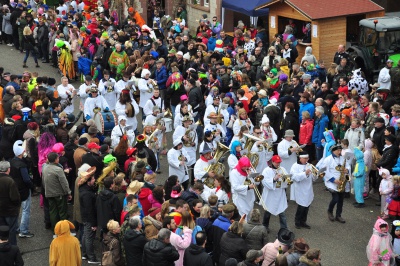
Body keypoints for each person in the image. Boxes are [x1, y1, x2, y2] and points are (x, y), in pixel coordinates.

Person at [318, 144, 350, 223]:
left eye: (340, 150)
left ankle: (338, 215)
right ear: (333, 151)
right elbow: (324, 171)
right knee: (335, 199)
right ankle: (330, 211)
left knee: (341, 200)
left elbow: (348, 166)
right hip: (332, 182)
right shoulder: (328, 159)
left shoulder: (343, 159)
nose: (339, 152)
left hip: (341, 181)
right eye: (338, 150)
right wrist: (333, 180)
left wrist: (347, 170)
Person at [10, 141, 34, 239]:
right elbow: (26, 179)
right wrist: (32, 186)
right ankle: (23, 230)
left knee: (16, 209)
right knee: (25, 210)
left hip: (15, 189)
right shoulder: (22, 165)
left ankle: (16, 228)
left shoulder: (12, 161)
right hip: (24, 190)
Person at [42, 152, 72, 231]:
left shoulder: (44, 168)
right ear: (55, 160)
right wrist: (68, 192)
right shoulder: (58, 169)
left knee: (53, 212)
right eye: (58, 158)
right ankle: (64, 230)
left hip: (49, 193)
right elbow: (64, 183)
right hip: (59, 194)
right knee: (62, 212)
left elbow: (43, 181)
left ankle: (55, 230)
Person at [290, 152, 317, 229]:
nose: (306, 160)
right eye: (305, 158)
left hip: (308, 189)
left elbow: (313, 178)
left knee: (307, 206)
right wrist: (304, 173)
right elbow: (294, 177)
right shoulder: (295, 166)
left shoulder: (309, 165)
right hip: (300, 189)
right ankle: (297, 222)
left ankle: (303, 222)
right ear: (300, 158)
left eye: (307, 158)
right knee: (301, 207)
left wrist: (315, 175)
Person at [261, 155, 289, 231]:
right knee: (268, 212)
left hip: (280, 194)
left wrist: (285, 180)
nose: (278, 164)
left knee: (282, 212)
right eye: (277, 162)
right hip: (270, 195)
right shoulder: (266, 170)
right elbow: (264, 182)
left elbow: (287, 179)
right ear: (272, 162)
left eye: (279, 162)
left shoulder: (282, 169)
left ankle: (284, 229)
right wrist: (274, 179)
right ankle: (265, 226)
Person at [78, 166, 99, 264]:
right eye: (93, 179)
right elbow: (89, 209)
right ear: (88, 181)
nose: (94, 179)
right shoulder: (87, 194)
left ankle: (84, 254)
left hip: (85, 218)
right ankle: (91, 258)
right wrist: (94, 224)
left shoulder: (84, 189)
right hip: (89, 218)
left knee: (85, 236)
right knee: (89, 238)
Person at [0, 161, 21, 246]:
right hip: (10, 211)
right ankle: (12, 249)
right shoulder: (10, 181)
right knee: (11, 231)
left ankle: (3, 248)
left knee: (2, 231)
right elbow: (15, 198)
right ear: (8, 169)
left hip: (0, 211)